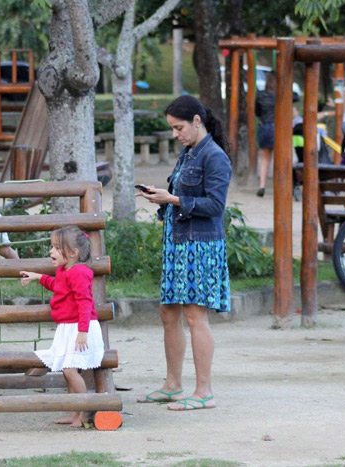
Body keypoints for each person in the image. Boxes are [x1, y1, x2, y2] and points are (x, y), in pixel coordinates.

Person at [135, 95, 232, 411]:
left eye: (179, 128)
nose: (176, 134)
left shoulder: (215, 157)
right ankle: (173, 385)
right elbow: (181, 194)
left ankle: (204, 391)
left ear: (197, 121)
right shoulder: (187, 154)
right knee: (169, 312)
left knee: (194, 315)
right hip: (177, 243)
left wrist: (174, 200)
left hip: (200, 246)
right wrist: (162, 196)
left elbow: (216, 206)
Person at [19, 226, 104, 427]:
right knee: (67, 372)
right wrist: (38, 277)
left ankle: (84, 411)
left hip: (80, 328)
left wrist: (82, 331)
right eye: (52, 247)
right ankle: (73, 413)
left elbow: (85, 303)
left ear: (73, 253)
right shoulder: (65, 270)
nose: (51, 252)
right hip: (68, 327)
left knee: (70, 371)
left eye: (57, 248)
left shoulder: (80, 273)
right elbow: (58, 286)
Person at [255, 73, 276, 197]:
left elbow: (257, 111)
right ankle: (279, 184)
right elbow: (296, 97)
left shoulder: (260, 95)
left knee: (264, 158)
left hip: (264, 127)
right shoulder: (281, 94)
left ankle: (262, 185)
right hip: (278, 128)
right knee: (279, 159)